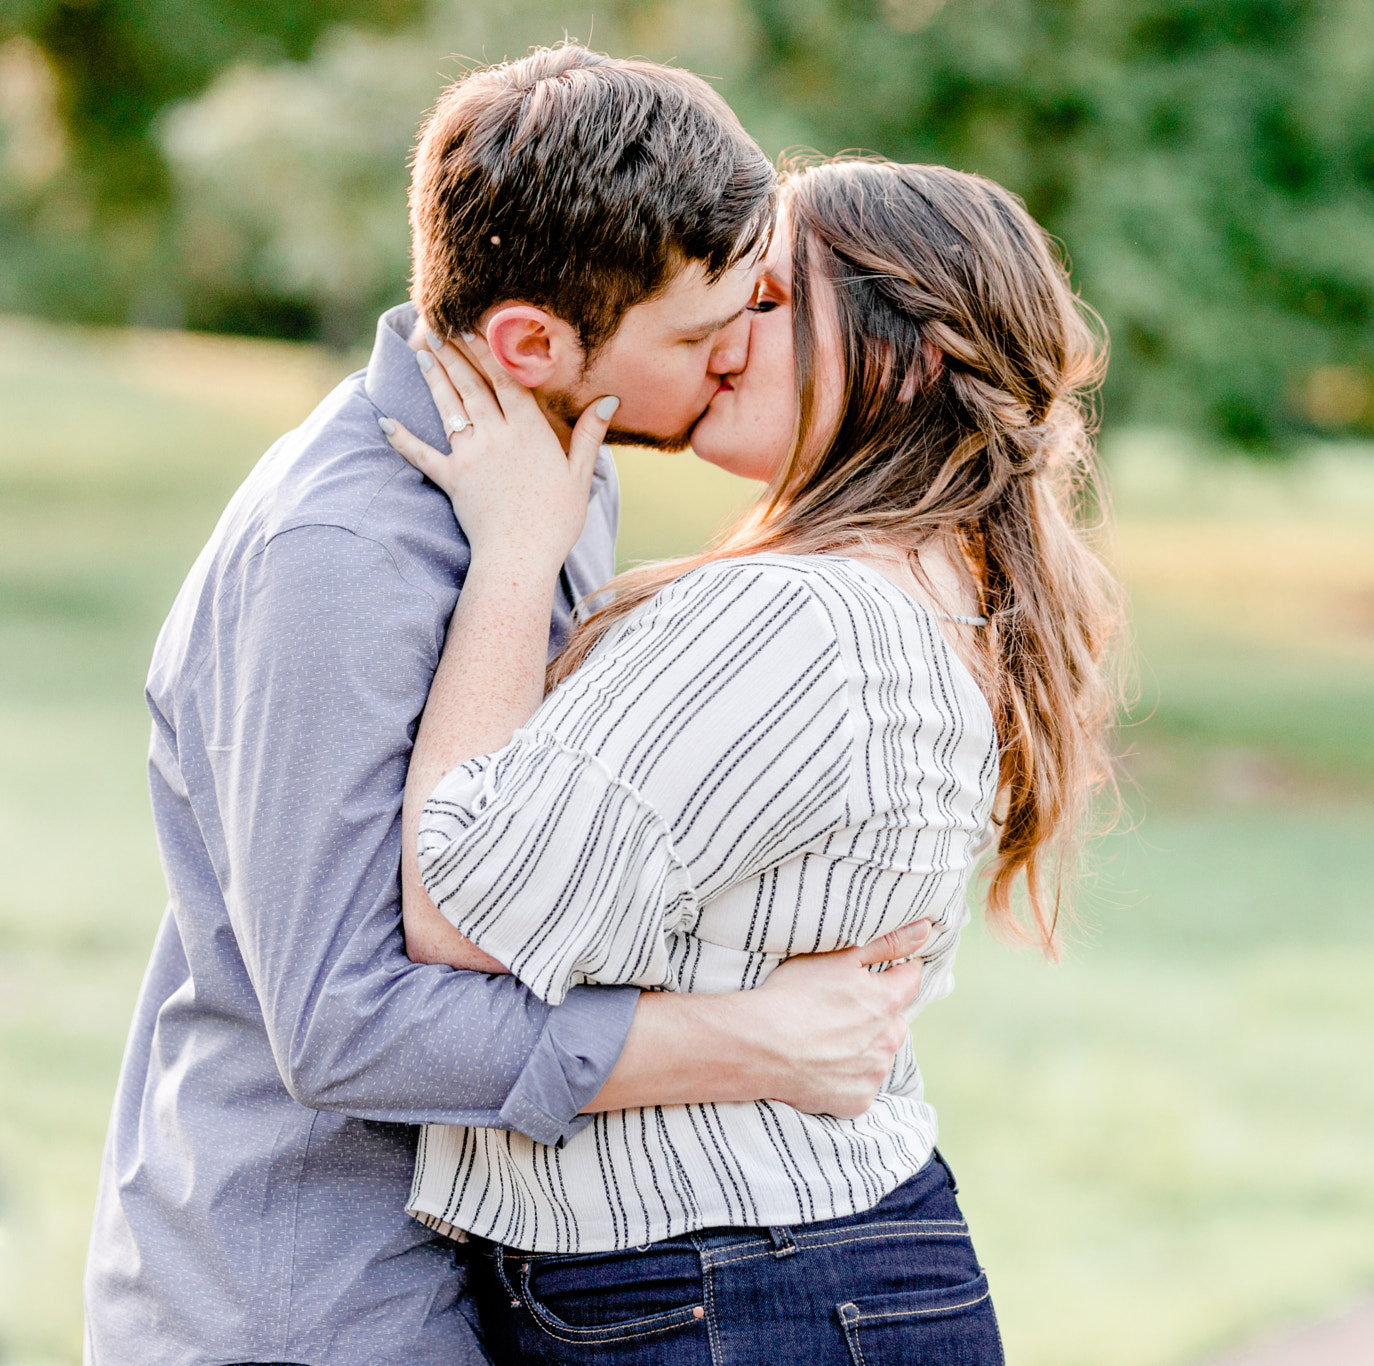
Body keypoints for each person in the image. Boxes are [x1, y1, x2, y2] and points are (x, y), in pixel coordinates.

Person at [84, 47, 930, 1366]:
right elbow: (345, 1025)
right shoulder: (342, 557)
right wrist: (744, 1039)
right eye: (704, 337)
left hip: (483, 1277)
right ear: (532, 339)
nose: (733, 367)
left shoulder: (549, 467)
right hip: (314, 1302)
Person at [376, 155, 1123, 1362]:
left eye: (765, 301)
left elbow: (465, 914)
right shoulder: (925, 587)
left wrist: (516, 556)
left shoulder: (804, 616)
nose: (722, 332)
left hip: (730, 1288)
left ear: (909, 351)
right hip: (773, 1276)